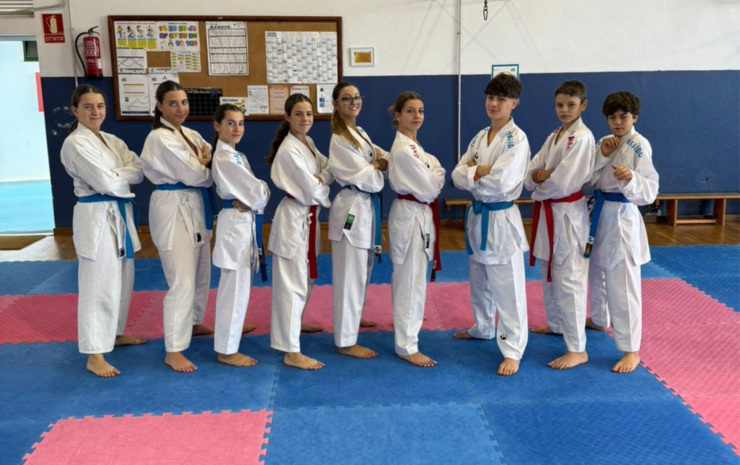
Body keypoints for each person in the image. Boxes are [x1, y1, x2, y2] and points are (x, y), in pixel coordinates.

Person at [60, 85, 146, 378]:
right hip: (95, 216)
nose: (95, 112)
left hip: (118, 213)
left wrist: (116, 176)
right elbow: (105, 183)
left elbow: (138, 170)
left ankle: (115, 333)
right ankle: (94, 353)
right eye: (88, 107)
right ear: (75, 111)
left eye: (100, 106)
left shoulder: (111, 140)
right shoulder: (75, 143)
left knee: (122, 277)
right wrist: (117, 177)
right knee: (98, 283)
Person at [450, 74, 530, 376]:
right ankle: (483, 327)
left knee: (508, 287)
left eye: (501, 99)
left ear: (514, 103)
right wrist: (479, 172)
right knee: (480, 279)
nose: (493, 104)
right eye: (490, 97)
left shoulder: (516, 139)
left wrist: (474, 173)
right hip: (478, 215)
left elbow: (501, 182)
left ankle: (513, 349)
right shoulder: (480, 136)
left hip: (501, 218)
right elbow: (456, 174)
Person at [141, 81, 216, 373]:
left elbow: (212, 158)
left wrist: (204, 163)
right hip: (173, 208)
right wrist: (203, 164)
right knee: (181, 279)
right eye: (172, 103)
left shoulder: (190, 133)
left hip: (195, 204)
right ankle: (173, 349)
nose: (180, 108)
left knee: (200, 273)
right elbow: (198, 174)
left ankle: (194, 323)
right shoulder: (160, 138)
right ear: (159, 106)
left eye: (183, 102)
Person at [524, 80, 595, 370]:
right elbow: (530, 172)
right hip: (549, 212)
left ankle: (577, 348)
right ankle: (557, 324)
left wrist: (539, 184)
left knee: (569, 277)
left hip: (567, 215)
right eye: (560, 105)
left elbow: (563, 182)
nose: (564, 110)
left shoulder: (582, 138)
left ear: (583, 105)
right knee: (549, 271)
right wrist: (540, 177)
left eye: (571, 105)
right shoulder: (555, 135)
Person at [586, 91, 659, 373]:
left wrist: (632, 178)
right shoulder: (603, 142)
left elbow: (650, 191)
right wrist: (602, 156)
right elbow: (589, 178)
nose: (617, 122)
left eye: (623, 117)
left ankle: (631, 349)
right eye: (612, 117)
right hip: (599, 213)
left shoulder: (639, 145)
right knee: (596, 271)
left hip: (622, 216)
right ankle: (599, 318)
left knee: (623, 283)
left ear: (634, 118)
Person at [268, 94, 334, 370]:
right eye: (298, 114)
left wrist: (321, 178)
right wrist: (320, 182)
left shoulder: (308, 143)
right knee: (291, 284)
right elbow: (313, 190)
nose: (305, 118)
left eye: (308, 113)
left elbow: (330, 168)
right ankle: (290, 350)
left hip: (308, 217)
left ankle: (294, 325)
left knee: (305, 280)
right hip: (294, 218)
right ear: (287, 117)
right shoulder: (289, 150)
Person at [328, 82, 388, 359]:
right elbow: (367, 178)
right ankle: (345, 340)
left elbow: (385, 159)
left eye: (356, 97)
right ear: (336, 104)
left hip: (366, 207)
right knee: (350, 276)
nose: (353, 102)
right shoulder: (339, 139)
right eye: (346, 98)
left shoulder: (360, 132)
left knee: (363, 270)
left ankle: (353, 317)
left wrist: (378, 164)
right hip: (352, 206)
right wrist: (376, 166)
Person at [387, 92, 445, 367]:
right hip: (410, 215)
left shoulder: (414, 146)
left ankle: (407, 331)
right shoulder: (403, 149)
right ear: (398, 115)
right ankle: (406, 345)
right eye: (410, 111)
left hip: (418, 214)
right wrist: (433, 174)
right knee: (409, 280)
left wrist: (433, 172)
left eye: (420, 110)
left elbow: (438, 171)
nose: (417, 115)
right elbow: (431, 187)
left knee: (413, 278)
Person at [210, 104, 271, 367]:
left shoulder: (237, 155)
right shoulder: (225, 157)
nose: (237, 128)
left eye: (241, 123)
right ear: (217, 126)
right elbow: (258, 193)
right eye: (231, 123)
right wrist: (260, 194)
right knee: (233, 289)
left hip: (243, 222)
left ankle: (231, 334)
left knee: (239, 287)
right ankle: (226, 350)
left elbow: (256, 193)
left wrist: (258, 195)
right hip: (235, 224)